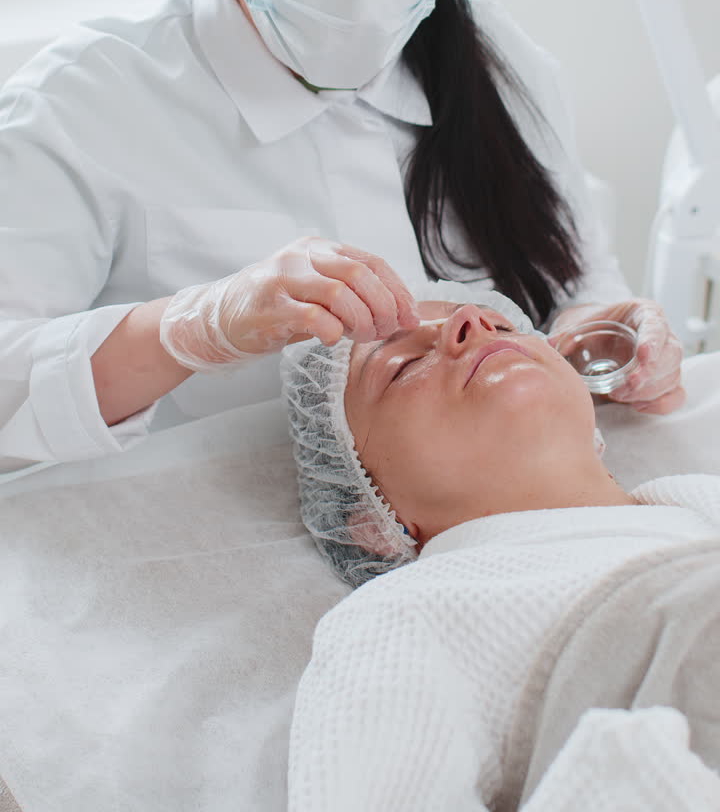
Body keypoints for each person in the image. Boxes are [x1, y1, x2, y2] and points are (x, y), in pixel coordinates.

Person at [0, 0, 682, 480]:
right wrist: (192, 328)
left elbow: (578, 284)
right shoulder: (85, 103)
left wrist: (606, 335)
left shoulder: (499, 64)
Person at [281, 289, 720, 811]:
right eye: (402, 366)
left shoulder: (698, 507)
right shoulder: (402, 614)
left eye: (505, 326)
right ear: (374, 524)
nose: (472, 319)